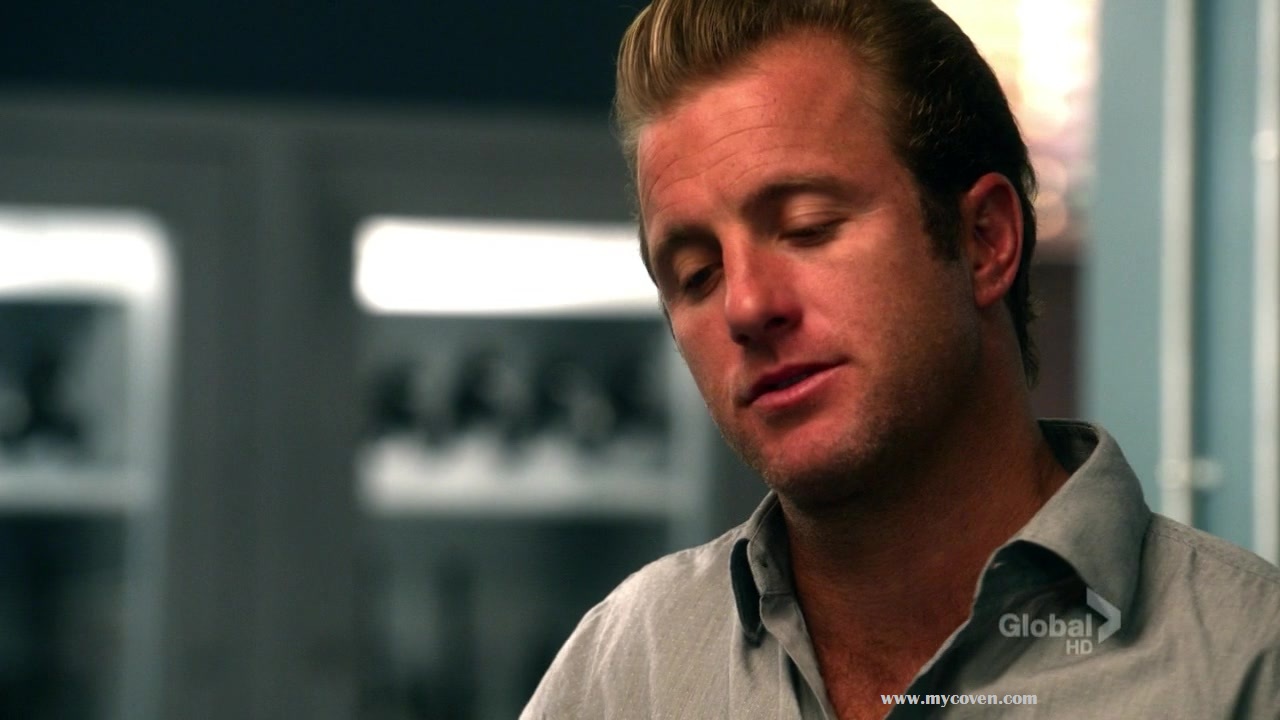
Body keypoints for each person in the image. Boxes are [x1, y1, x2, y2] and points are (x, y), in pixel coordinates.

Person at [522, 0, 1280, 717]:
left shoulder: (1244, 665)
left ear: (984, 241)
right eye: (697, 274)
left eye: (808, 227)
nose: (745, 307)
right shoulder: (627, 670)